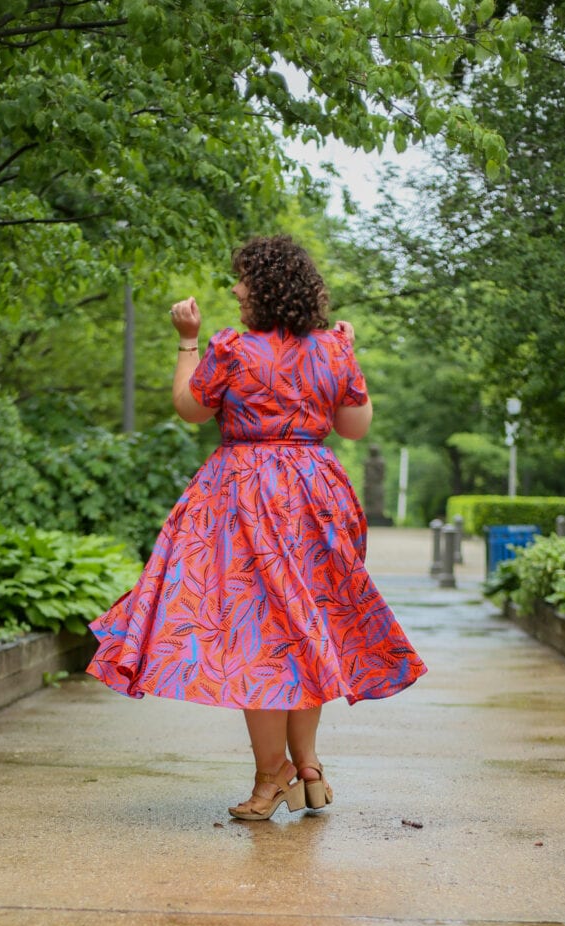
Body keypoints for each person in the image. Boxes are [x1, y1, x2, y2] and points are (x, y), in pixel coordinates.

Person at [87, 235, 427, 820]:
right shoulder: (335, 350)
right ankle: (308, 765)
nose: (236, 289)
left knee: (261, 641)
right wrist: (349, 355)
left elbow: (191, 408)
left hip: (246, 495)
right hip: (316, 495)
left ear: (265, 288)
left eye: (242, 279)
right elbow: (354, 428)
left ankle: (273, 779)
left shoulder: (232, 349)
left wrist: (187, 343)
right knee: (306, 626)